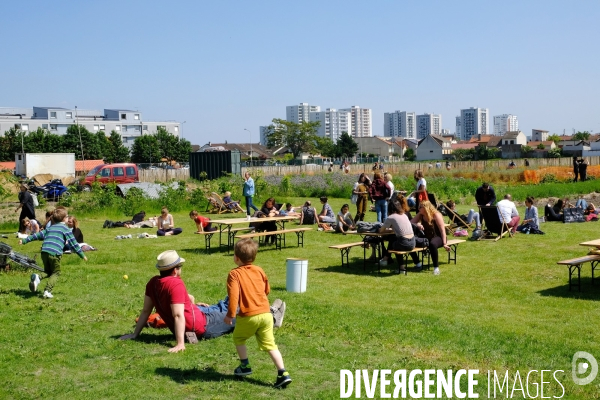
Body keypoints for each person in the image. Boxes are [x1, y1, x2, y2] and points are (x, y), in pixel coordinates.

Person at [119, 250, 236, 352]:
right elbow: (178, 315)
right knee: (239, 313)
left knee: (218, 306)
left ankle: (230, 301)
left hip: (191, 319)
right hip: (201, 326)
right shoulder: (175, 284)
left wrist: (135, 334)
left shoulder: (153, 282)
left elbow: (145, 311)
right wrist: (180, 344)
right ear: (175, 270)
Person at [224, 239, 292, 388]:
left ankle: (245, 366)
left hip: (248, 315)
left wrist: (230, 315)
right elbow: (267, 289)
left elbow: (234, 296)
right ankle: (283, 373)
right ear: (254, 257)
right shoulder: (259, 270)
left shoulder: (234, 274)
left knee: (239, 337)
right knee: (270, 344)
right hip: (266, 314)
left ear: (236, 257)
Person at [20, 208, 88, 299]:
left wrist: (25, 240)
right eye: (67, 216)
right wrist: (82, 255)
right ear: (64, 219)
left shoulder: (50, 228)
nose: (68, 218)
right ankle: (47, 291)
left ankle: (38, 277)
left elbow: (37, 235)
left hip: (44, 252)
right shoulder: (66, 229)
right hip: (54, 253)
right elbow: (74, 243)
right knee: (56, 272)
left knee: (48, 271)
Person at [411, 201, 450, 275]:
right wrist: (417, 224)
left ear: (426, 208)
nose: (418, 208)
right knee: (410, 242)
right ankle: (418, 264)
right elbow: (410, 222)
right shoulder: (421, 215)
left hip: (438, 237)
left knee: (432, 244)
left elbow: (442, 231)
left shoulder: (436, 215)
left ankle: (436, 268)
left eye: (420, 207)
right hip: (426, 237)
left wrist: (445, 244)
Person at [377, 197, 415, 273]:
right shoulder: (404, 215)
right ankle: (385, 259)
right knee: (394, 239)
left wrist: (379, 229)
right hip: (413, 242)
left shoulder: (391, 217)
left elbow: (381, 231)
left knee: (395, 244)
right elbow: (397, 229)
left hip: (404, 243)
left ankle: (401, 268)